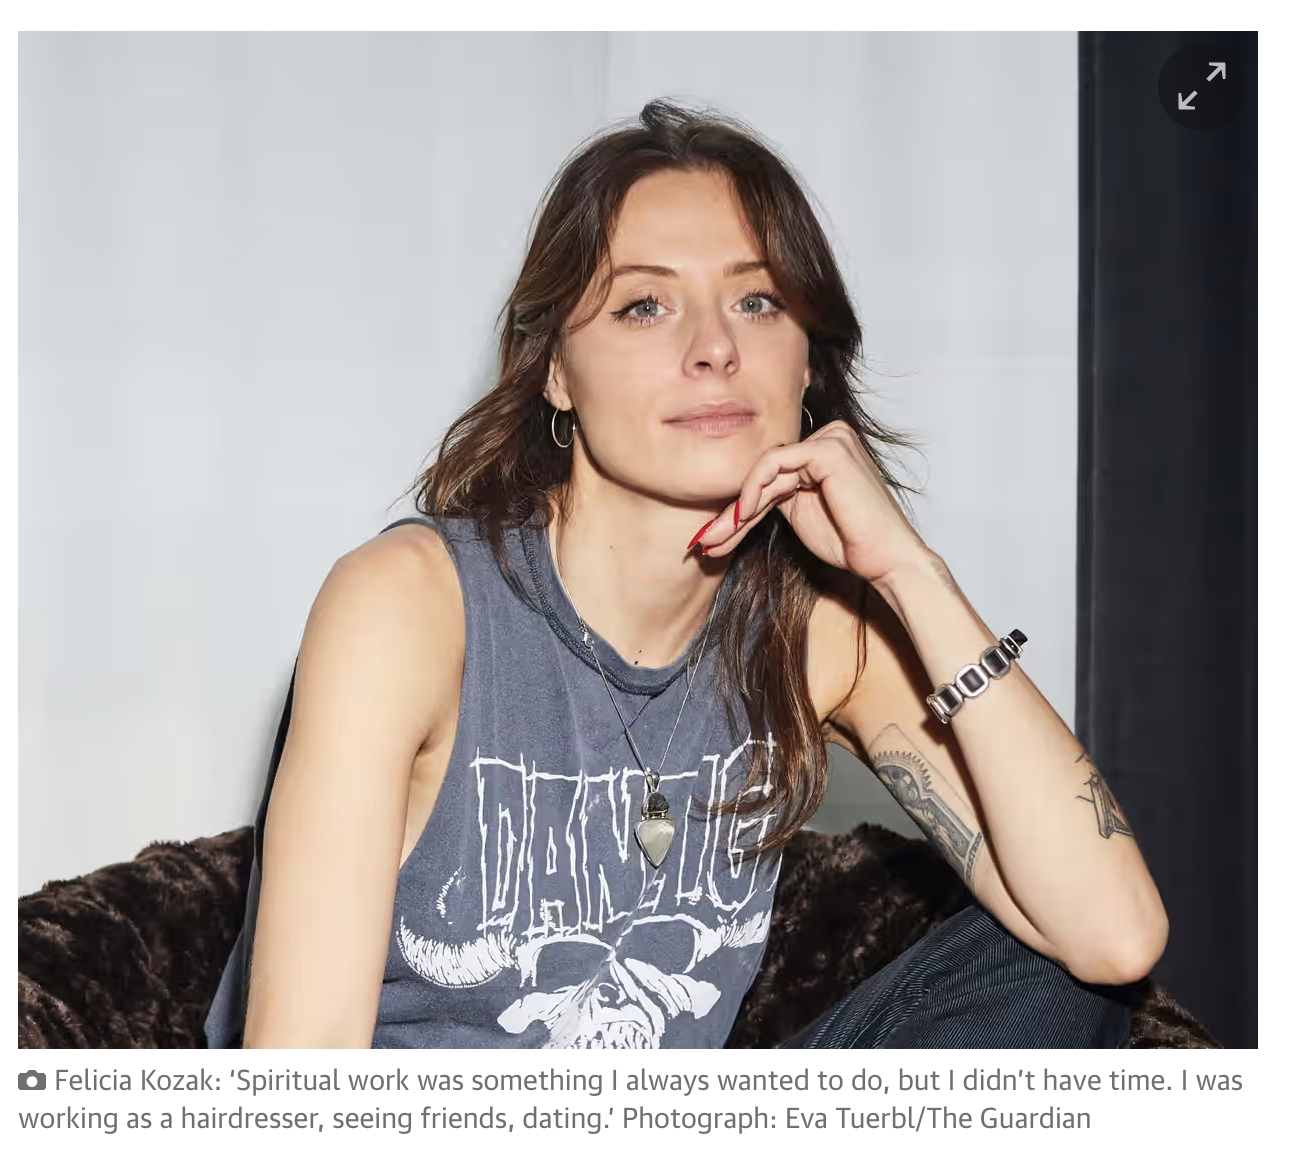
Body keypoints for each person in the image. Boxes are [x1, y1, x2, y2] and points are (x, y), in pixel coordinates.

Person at [205, 99, 1167, 1050]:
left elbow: (1115, 937)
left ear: (807, 365)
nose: (715, 348)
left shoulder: (821, 633)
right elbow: (300, 1071)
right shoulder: (412, 606)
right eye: (644, 306)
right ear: (555, 371)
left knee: (1053, 974)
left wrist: (913, 574)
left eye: (758, 302)